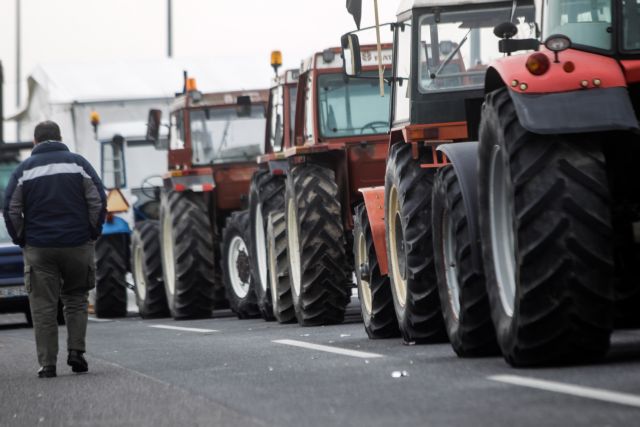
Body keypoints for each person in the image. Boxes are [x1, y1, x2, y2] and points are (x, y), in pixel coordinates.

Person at [3, 121, 106, 378]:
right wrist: (91, 232)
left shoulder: (24, 170)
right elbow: (98, 199)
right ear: (60, 137)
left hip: (40, 247)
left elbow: (11, 208)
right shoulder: (79, 164)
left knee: (43, 306)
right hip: (77, 244)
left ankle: (48, 364)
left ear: (35, 141)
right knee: (76, 299)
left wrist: (22, 238)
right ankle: (76, 353)